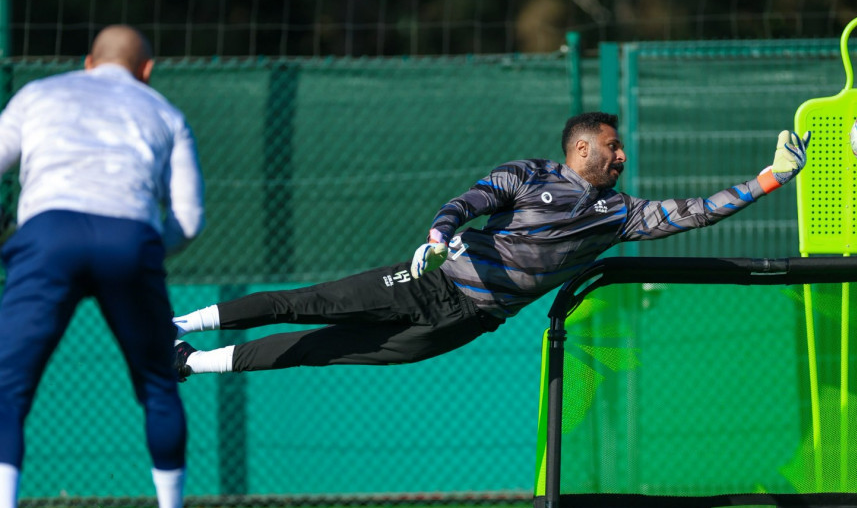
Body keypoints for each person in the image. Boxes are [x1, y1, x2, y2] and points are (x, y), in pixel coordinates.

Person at [172, 112, 807, 378]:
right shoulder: (531, 175)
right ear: (581, 148)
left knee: (323, 352)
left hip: (468, 322)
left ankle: (185, 364)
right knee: (308, 304)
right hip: (432, 281)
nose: (622, 155)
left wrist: (769, 179)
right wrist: (439, 234)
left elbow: (694, 213)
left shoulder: (620, 214)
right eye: (612, 146)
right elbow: (470, 201)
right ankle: (176, 322)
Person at [0, 25, 205, 508]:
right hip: (130, 236)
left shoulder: (38, 94)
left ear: (88, 62)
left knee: (8, 389)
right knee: (158, 384)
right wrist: (142, 248)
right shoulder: (165, 112)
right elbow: (188, 219)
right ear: (147, 69)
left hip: (48, 235)